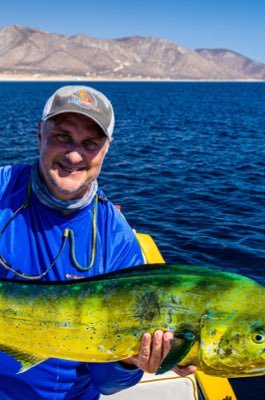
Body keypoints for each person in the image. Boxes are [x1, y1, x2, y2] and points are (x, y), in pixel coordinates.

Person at [0, 85, 196, 399]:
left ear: (106, 149)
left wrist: (131, 360)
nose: (74, 154)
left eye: (90, 143)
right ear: (39, 133)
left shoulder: (117, 241)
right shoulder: (2, 191)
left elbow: (107, 383)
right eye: (62, 135)